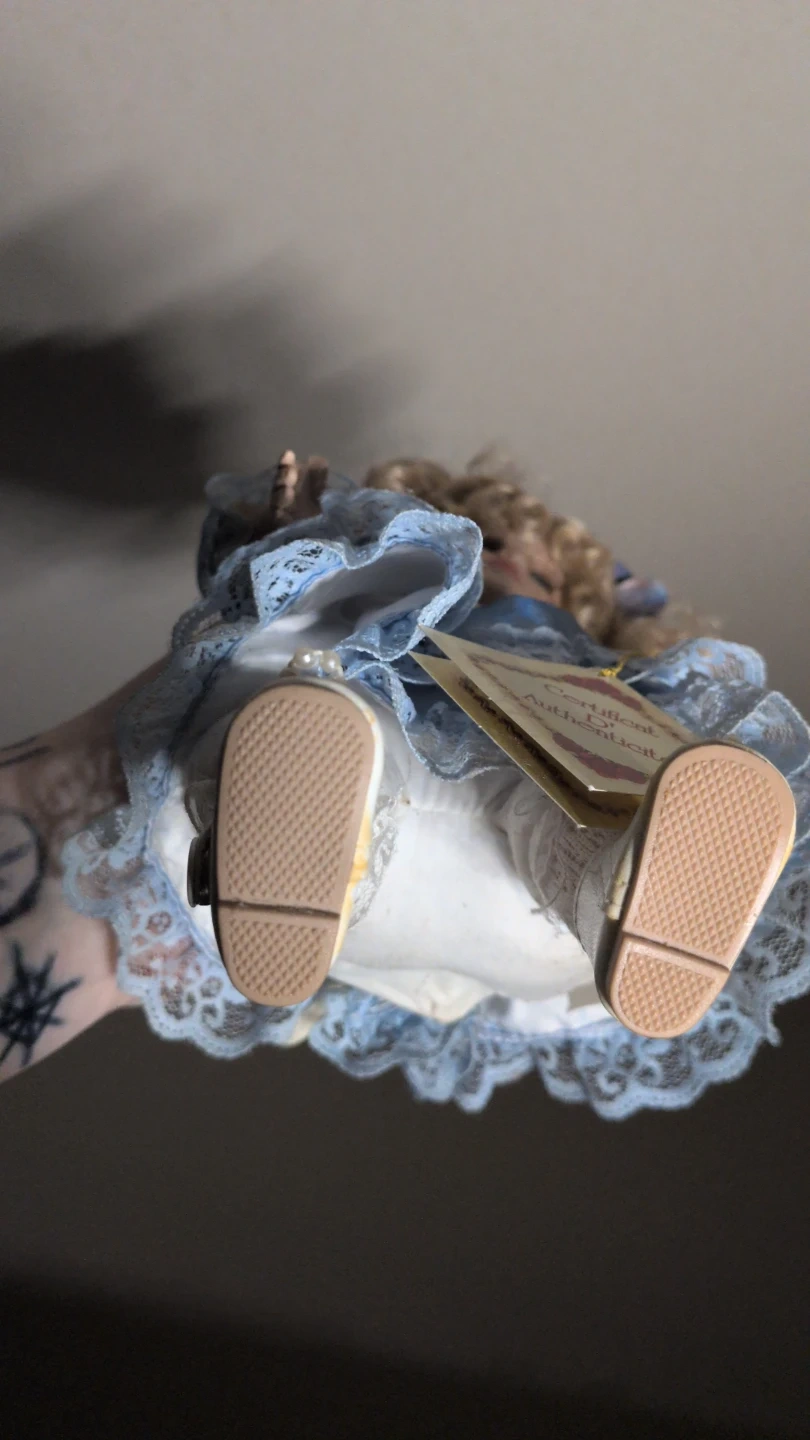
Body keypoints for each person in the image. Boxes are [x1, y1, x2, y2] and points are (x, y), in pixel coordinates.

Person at [3, 452, 808, 1120]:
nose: (510, 562)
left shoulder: (605, 683)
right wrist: (300, 541)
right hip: (426, 894)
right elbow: (284, 602)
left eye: (544, 571)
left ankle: (620, 882)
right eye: (489, 541)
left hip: (508, 899)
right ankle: (324, 841)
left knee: (559, 806)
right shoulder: (394, 612)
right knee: (334, 723)